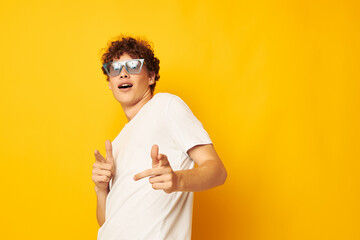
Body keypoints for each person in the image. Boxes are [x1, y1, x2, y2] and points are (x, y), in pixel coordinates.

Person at [92, 36, 227, 240]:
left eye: (133, 66)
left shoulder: (166, 106)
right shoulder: (118, 142)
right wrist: (101, 190)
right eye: (115, 69)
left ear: (151, 77)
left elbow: (217, 171)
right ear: (110, 84)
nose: (123, 74)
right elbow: (106, 222)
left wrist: (177, 180)